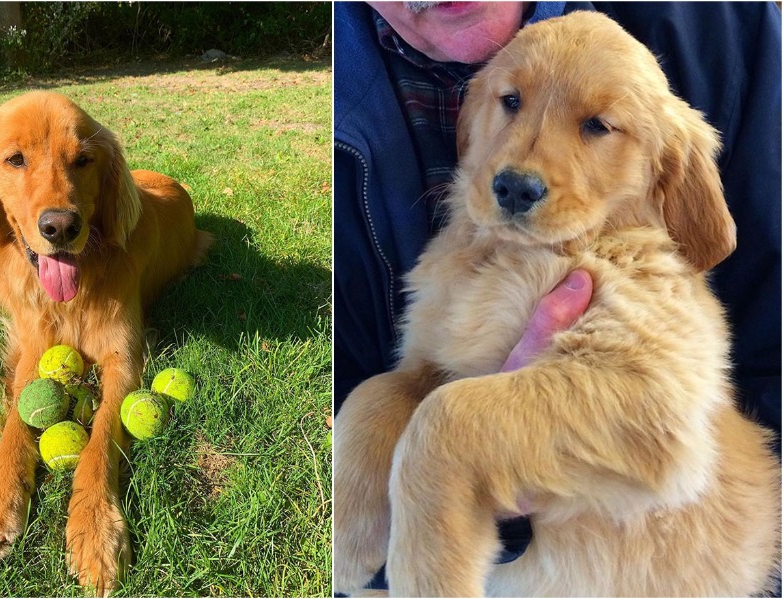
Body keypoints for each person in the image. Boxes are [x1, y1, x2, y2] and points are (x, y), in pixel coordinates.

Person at [333, 0, 781, 587]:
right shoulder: (453, 246)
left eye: (596, 126)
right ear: (470, 123)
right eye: (511, 103)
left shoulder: (636, 266)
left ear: (668, 169)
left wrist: (463, 440)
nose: (523, 168)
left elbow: (660, 426)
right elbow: (421, 384)